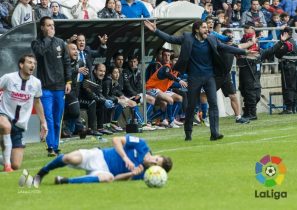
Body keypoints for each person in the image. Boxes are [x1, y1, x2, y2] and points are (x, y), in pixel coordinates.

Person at [144, 20, 256, 141]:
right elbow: (170, 39)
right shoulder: (187, 38)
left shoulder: (211, 39)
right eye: (204, 27)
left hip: (209, 77)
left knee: (213, 104)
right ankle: (188, 133)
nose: (207, 30)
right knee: (191, 106)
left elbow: (225, 47)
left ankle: (215, 133)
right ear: (196, 29)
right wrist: (156, 30)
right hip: (194, 78)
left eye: (207, 28)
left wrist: (244, 51)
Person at [33, 135, 172, 185]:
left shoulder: (143, 174)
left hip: (105, 171)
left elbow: (117, 179)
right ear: (157, 155)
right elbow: (116, 139)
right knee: (70, 158)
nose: (153, 161)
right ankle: (42, 173)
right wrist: (125, 158)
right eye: (156, 159)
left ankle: (64, 181)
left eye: (155, 164)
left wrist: (132, 174)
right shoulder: (141, 145)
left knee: (108, 179)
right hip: (99, 156)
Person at [31, 16, 72, 157]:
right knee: (48, 117)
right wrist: (48, 38)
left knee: (57, 118)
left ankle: (56, 145)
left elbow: (67, 63)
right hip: (45, 88)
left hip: (60, 87)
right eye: (48, 25)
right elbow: (40, 52)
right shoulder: (36, 43)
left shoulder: (61, 42)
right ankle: (51, 147)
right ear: (42, 27)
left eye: (53, 25)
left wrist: (68, 81)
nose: (51, 28)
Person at [0, 54, 48, 172]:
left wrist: (43, 122)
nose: (33, 65)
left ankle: (8, 162)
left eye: (34, 64)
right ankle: (7, 166)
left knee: (16, 164)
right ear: (21, 65)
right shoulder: (9, 78)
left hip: (19, 126)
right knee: (5, 126)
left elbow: (37, 102)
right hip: (3, 115)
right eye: (30, 62)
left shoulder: (36, 83)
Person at [274, 27, 297, 114]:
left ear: (285, 34)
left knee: (287, 87)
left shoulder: (287, 43)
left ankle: (289, 108)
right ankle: (293, 107)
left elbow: (277, 53)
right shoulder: (293, 41)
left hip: (287, 67)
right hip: (293, 67)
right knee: (292, 86)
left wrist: (280, 44)